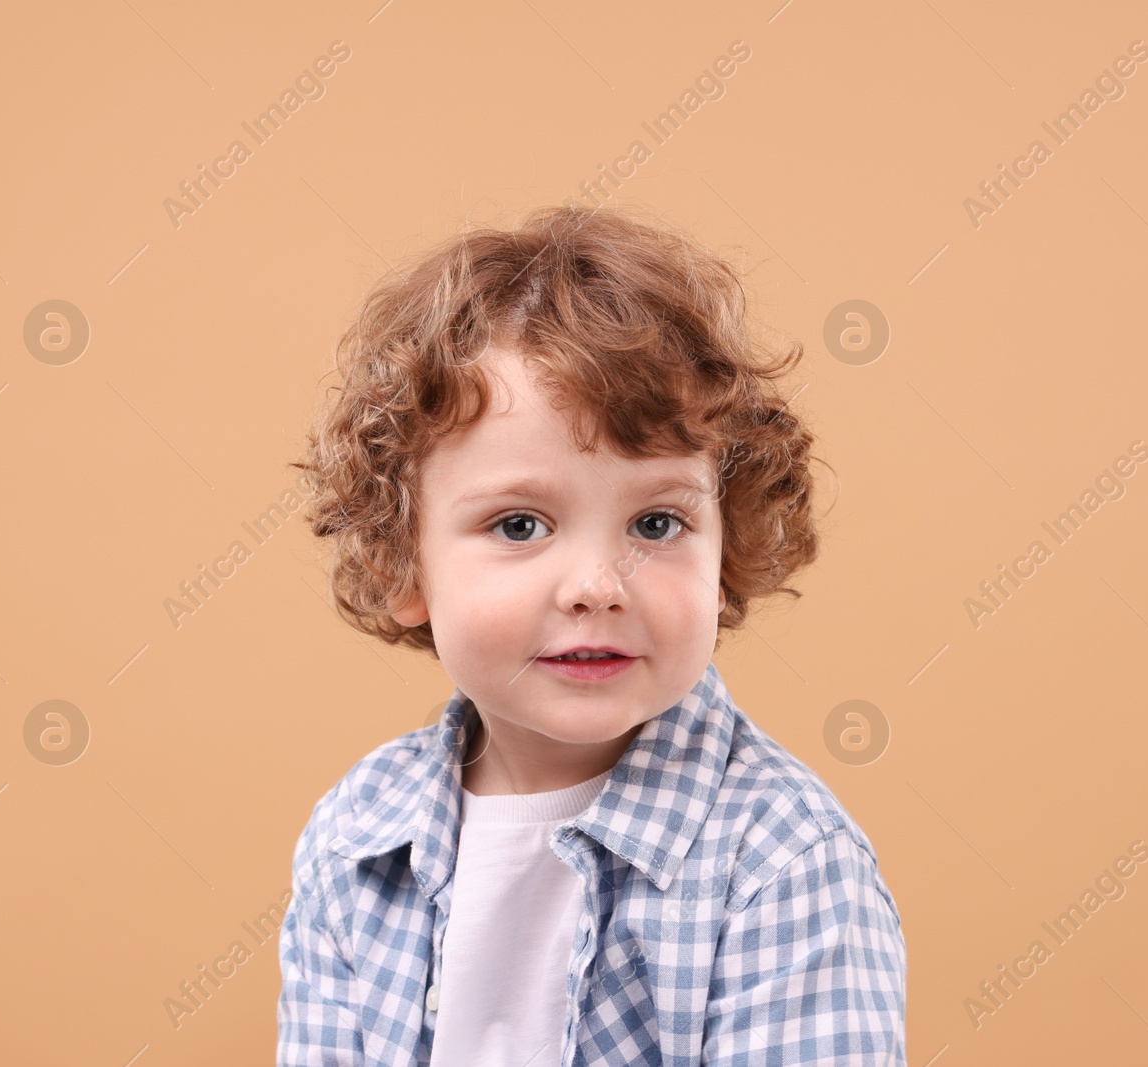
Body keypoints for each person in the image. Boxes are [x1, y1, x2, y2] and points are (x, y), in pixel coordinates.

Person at [277, 203, 907, 1065]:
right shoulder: (358, 837)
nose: (595, 588)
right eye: (519, 526)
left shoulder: (785, 863)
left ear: (728, 554)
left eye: (655, 524)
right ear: (403, 566)